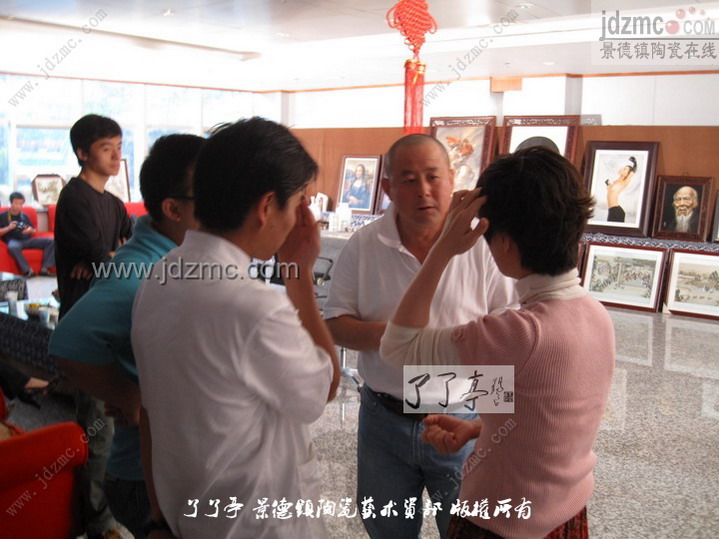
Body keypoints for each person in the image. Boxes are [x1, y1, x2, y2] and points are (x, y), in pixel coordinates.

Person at [380, 146, 615, 538]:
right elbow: (544, 404)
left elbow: (397, 347)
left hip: (499, 521)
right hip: (565, 512)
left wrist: (442, 250)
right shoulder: (596, 314)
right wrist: (479, 428)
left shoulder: (518, 331)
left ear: (503, 242)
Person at [131, 117, 340, 539]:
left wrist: (158, 516)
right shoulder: (254, 305)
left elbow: (150, 410)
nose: (301, 220)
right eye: (298, 204)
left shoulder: (160, 276)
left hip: (188, 515)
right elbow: (322, 391)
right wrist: (299, 275)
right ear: (266, 207)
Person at [324, 134, 516, 538]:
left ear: (453, 177)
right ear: (387, 187)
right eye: (409, 180)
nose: (423, 190)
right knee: (386, 528)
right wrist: (402, 338)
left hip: (464, 414)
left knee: (468, 530)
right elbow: (336, 325)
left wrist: (493, 422)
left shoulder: (483, 243)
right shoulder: (365, 244)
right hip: (384, 418)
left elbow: (510, 331)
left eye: (433, 176)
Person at [49, 134, 204, 538]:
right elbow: (67, 343)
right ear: (173, 209)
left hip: (168, 465)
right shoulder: (141, 273)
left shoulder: (175, 257)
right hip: (145, 477)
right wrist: (128, 395)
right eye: (212, 197)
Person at [54, 113, 133, 539]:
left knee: (119, 424)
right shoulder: (74, 199)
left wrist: (107, 259)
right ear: (83, 153)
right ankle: (97, 522)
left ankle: (111, 510)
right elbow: (109, 261)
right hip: (87, 328)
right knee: (97, 430)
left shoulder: (114, 204)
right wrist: (106, 259)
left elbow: (127, 253)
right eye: (107, 148)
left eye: (119, 147)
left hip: (115, 321)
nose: (117, 156)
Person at [0, 192, 55, 277]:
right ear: (11, 203)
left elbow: (33, 231)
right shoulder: (3, 216)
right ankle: (28, 271)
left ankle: (44, 269)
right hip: (14, 241)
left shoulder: (24, 216)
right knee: (13, 247)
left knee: (52, 242)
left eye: (20, 204)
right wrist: (9, 228)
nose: (18, 206)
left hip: (27, 240)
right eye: (16, 203)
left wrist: (30, 230)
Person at [605, 156, 637, 223]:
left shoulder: (624, 182)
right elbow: (610, 192)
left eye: (625, 169)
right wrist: (607, 184)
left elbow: (633, 172)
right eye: (623, 167)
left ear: (627, 174)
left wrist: (634, 161)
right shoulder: (615, 182)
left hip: (616, 211)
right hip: (612, 210)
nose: (622, 169)